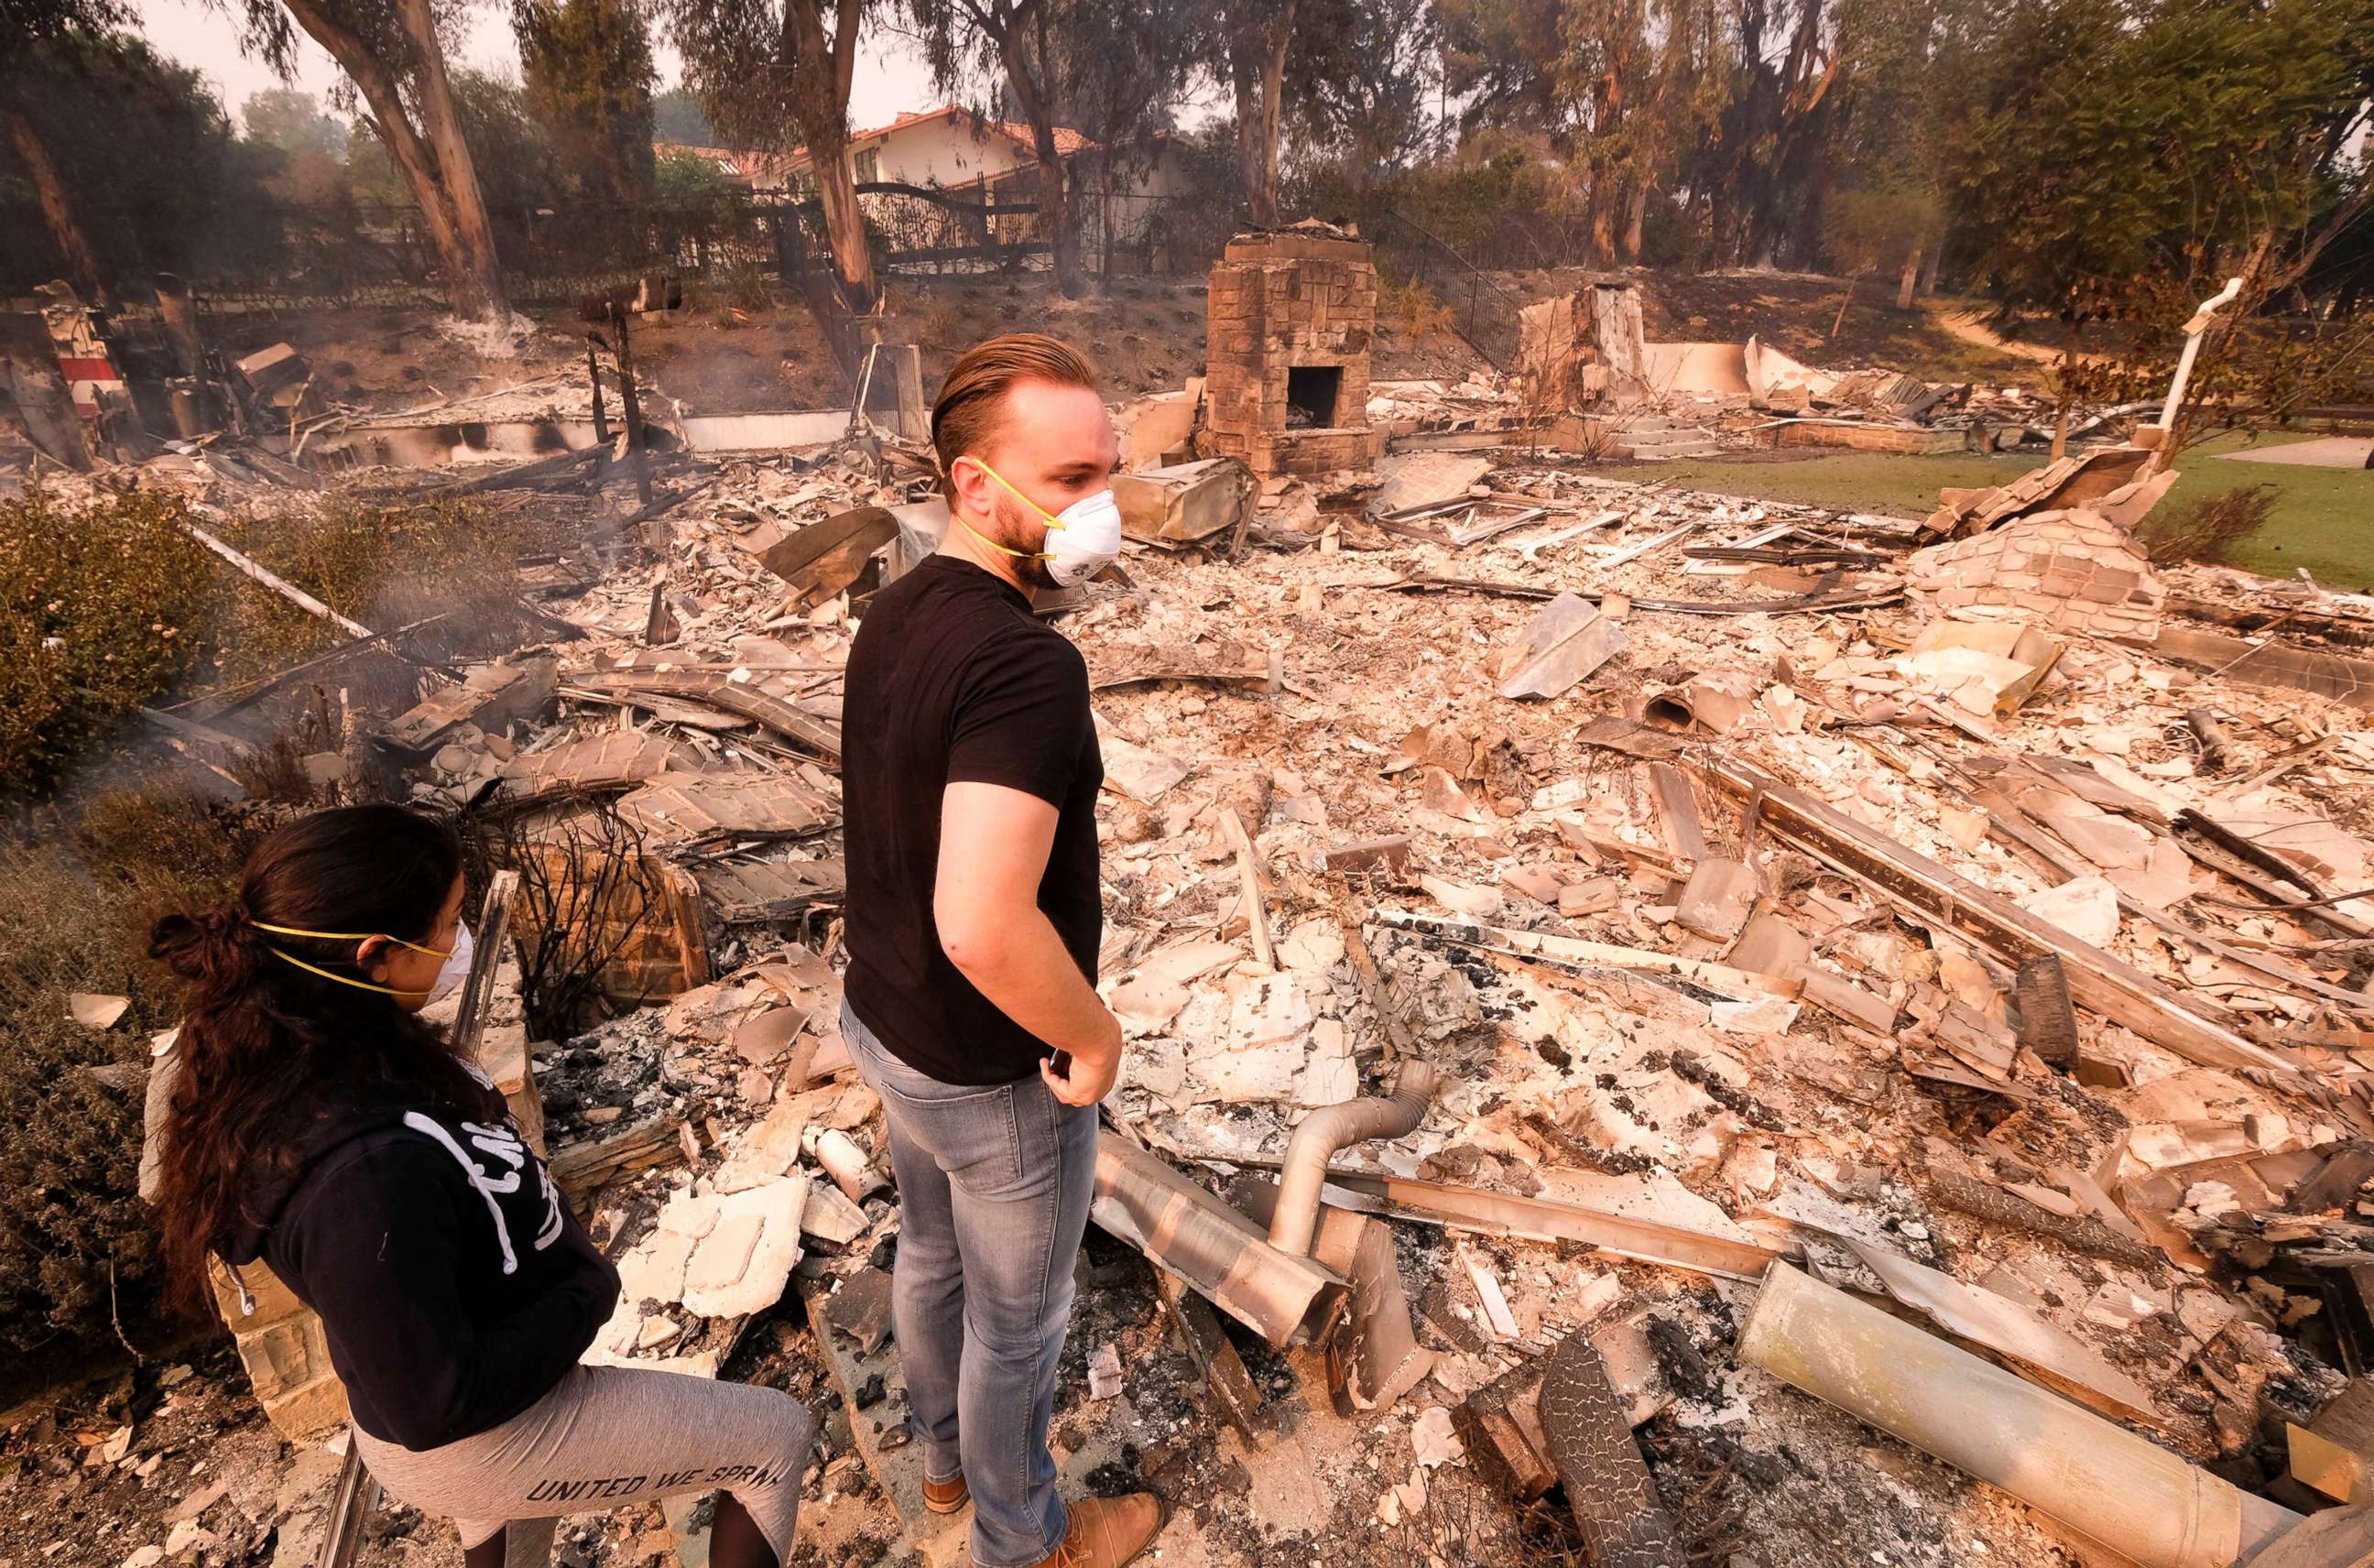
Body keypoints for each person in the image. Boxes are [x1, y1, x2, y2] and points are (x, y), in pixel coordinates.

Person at [147, 805, 817, 1568]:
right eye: (447, 923)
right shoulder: (359, 1176)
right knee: (773, 1437)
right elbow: (433, 1402)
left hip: (477, 1389)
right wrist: (585, 1292)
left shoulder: (330, 1042)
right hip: (477, 1434)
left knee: (518, 1521)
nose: (459, 941)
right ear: (374, 955)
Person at [839, 334, 1158, 1568]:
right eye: (1071, 477)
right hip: (986, 1072)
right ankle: (1024, 1544)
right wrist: (1091, 1033)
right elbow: (982, 921)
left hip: (887, 1023)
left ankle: (938, 1476)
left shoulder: (901, 607)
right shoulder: (1028, 665)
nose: (1103, 506)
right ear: (977, 487)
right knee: (1018, 1331)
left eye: (1109, 471)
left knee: (928, 1254)